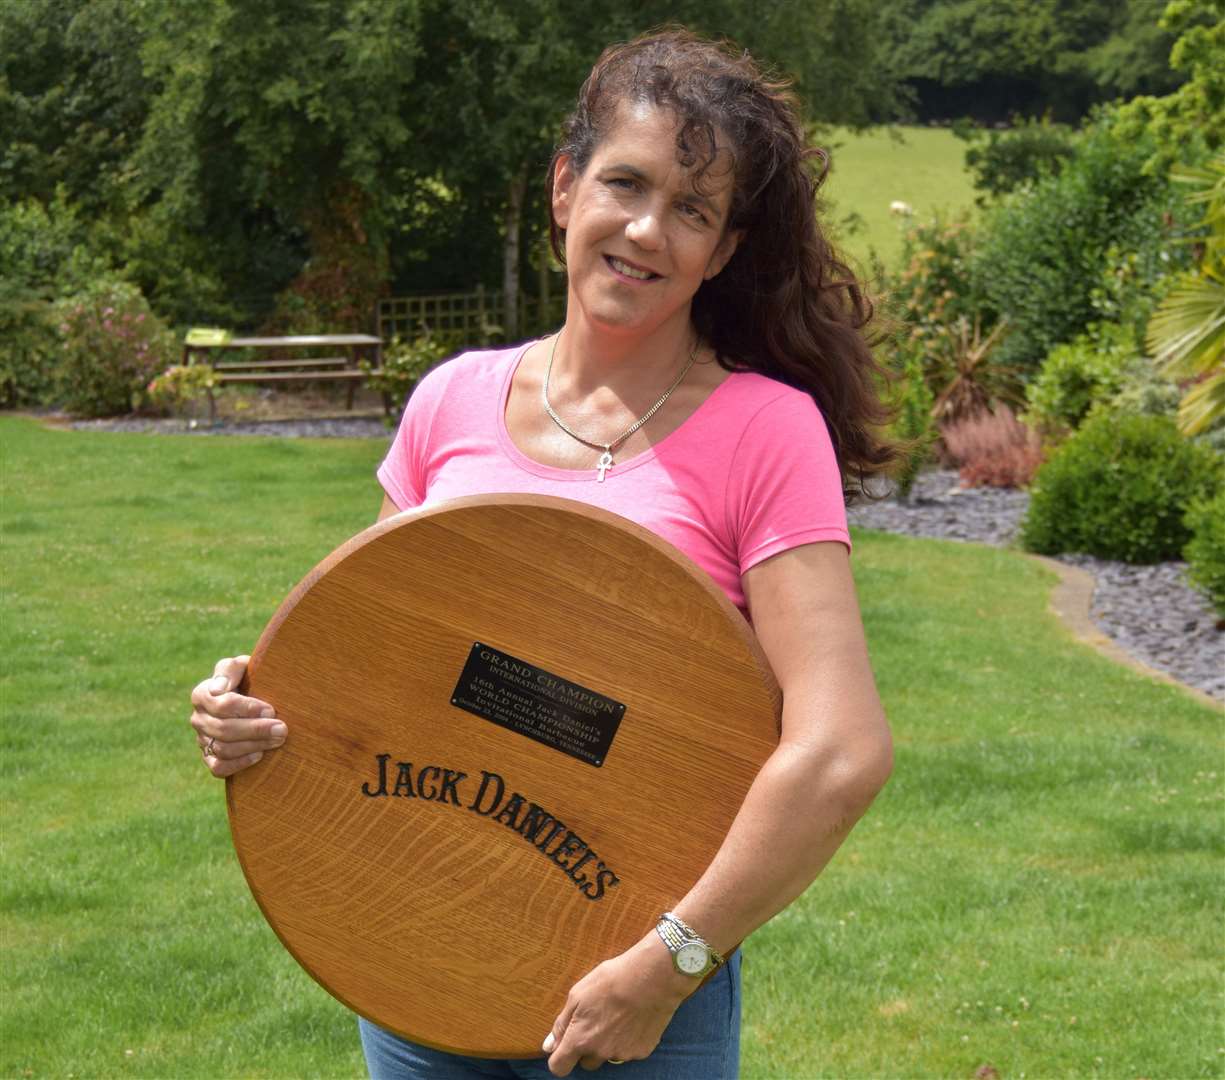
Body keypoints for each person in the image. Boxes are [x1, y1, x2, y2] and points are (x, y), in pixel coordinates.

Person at [190, 28, 896, 1079]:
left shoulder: (764, 429)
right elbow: (385, 664)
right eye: (626, 183)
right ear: (566, 188)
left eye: (692, 210)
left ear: (724, 250)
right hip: (413, 966)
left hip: (638, 1008)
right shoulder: (451, 400)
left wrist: (665, 968)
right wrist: (251, 711)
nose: (647, 230)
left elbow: (841, 750)